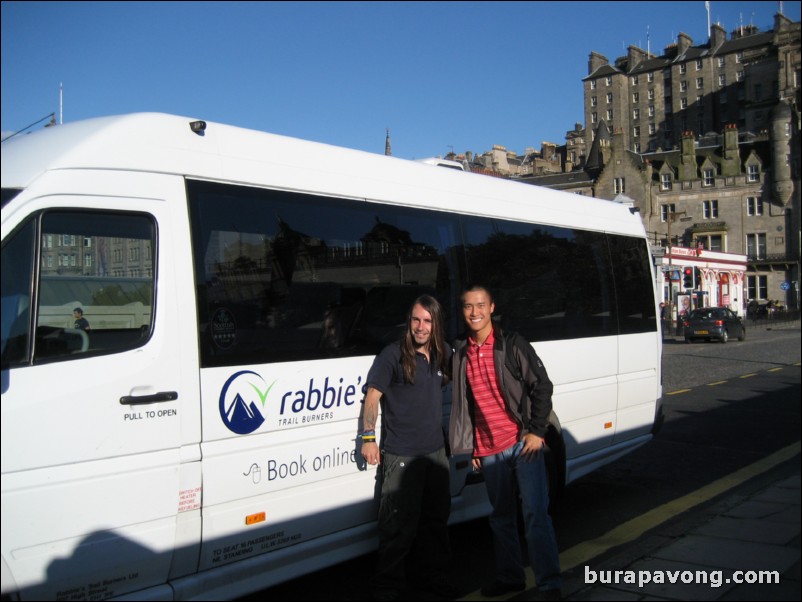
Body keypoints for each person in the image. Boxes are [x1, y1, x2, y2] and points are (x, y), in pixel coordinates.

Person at [449, 285, 562, 600]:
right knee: (501, 516)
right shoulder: (460, 351)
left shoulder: (511, 344)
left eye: (480, 305)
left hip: (521, 444)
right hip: (488, 450)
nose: (475, 312)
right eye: (468, 306)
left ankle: (550, 584)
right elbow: (466, 404)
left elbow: (542, 385)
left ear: (492, 307)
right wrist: (470, 445)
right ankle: (511, 577)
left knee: (535, 514)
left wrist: (537, 432)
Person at [361, 294, 455, 601]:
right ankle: (387, 588)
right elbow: (372, 397)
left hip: (435, 454)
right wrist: (368, 438)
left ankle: (432, 581)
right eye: (416, 319)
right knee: (397, 529)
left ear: (436, 324)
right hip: (401, 455)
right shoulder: (392, 355)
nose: (421, 327)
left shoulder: (442, 355)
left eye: (427, 321)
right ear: (409, 321)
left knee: (435, 523)